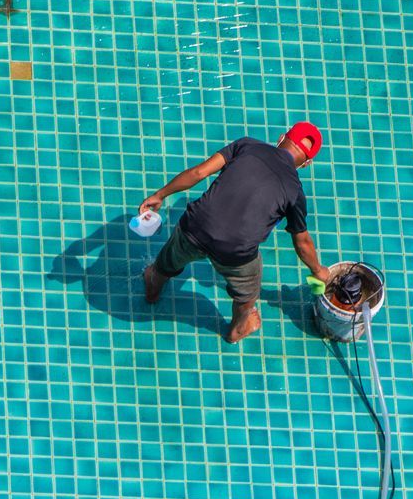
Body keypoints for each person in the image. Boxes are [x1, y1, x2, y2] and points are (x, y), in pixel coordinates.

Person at [139, 123, 331, 343]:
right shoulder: (295, 192)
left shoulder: (247, 145)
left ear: (281, 138)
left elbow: (199, 172)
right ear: (307, 164)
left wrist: (160, 194)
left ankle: (153, 285)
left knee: (172, 256)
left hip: (195, 227)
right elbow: (302, 241)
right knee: (247, 294)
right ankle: (237, 330)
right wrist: (318, 270)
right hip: (234, 252)